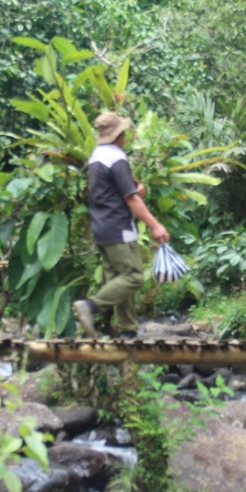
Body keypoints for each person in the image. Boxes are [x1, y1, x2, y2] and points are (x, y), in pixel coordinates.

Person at [72, 110, 170, 339]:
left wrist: (136, 185)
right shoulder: (116, 157)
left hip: (101, 226)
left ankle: (126, 330)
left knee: (119, 278)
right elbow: (131, 198)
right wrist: (155, 225)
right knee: (134, 276)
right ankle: (90, 307)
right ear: (119, 135)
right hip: (118, 228)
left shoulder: (97, 156)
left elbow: (116, 188)